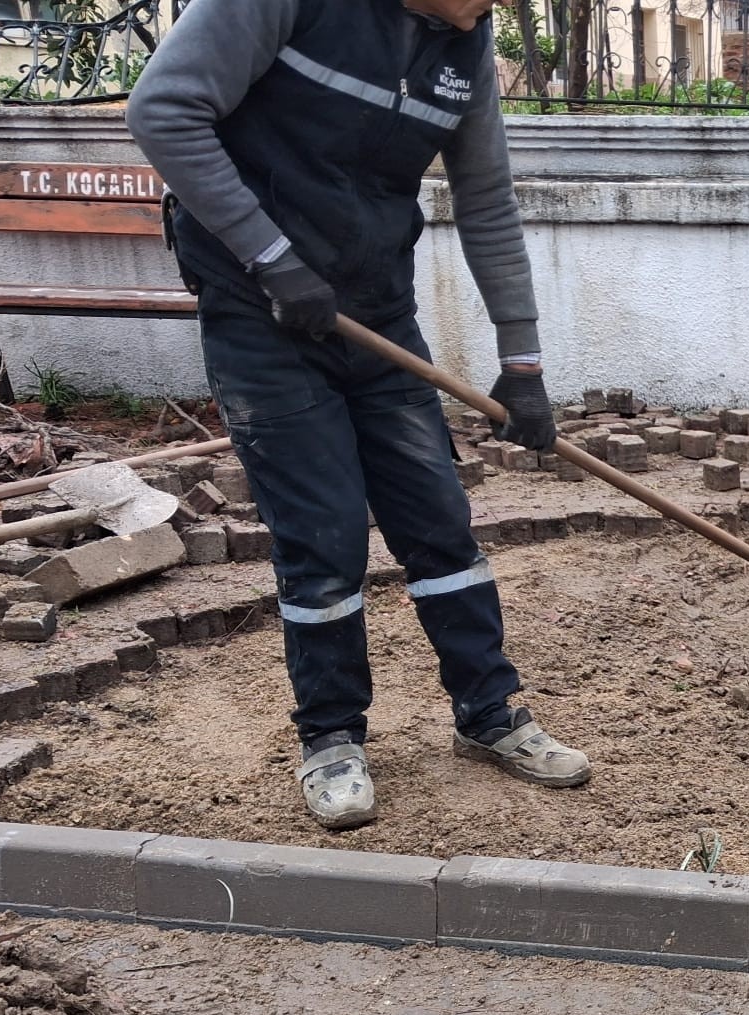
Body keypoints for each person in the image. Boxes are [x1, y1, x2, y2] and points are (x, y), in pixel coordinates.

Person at [126, 0, 590, 831]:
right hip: (259, 311)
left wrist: (523, 366)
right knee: (325, 535)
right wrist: (270, 258)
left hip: (375, 309)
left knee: (438, 519)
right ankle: (332, 736)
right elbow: (162, 110)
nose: (493, 8)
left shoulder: (464, 38)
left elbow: (485, 197)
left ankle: (490, 715)